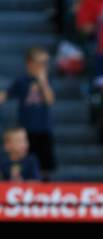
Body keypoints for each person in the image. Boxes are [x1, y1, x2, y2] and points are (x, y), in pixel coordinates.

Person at [0, 47, 55, 176]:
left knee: (45, 165)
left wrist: (43, 82)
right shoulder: (22, 81)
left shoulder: (46, 81)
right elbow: (5, 95)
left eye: (46, 63)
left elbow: (50, 100)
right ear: (30, 63)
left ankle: (45, 190)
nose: (44, 66)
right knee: (26, 163)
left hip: (44, 129)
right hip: (26, 130)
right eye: (41, 63)